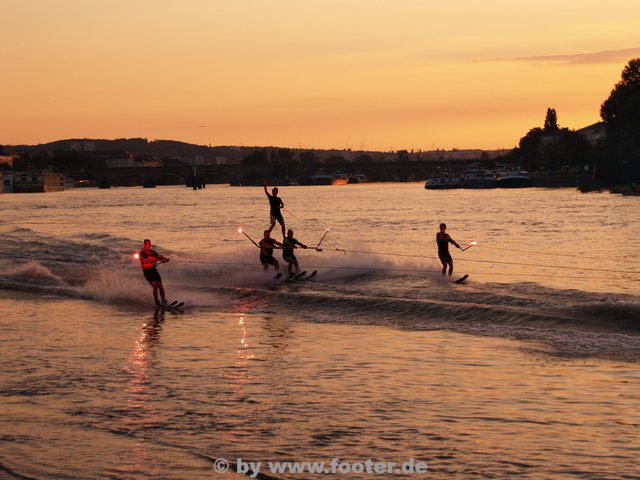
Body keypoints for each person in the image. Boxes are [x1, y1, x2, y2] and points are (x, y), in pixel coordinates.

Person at [139, 239, 169, 305]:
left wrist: (165, 258)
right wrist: (160, 260)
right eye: (148, 244)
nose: (149, 245)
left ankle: (163, 300)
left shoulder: (152, 251)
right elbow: (150, 258)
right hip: (147, 271)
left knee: (160, 285)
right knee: (155, 285)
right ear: (144, 244)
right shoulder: (142, 252)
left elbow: (158, 256)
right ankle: (157, 302)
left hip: (153, 270)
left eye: (150, 244)